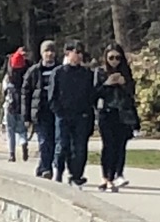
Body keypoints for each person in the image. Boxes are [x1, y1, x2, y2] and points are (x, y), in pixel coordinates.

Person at [50, 43, 97, 187]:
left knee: (79, 147)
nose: (79, 55)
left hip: (81, 116)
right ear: (68, 53)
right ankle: (58, 172)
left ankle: (76, 175)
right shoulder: (58, 72)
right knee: (62, 145)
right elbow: (52, 95)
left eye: (81, 52)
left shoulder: (87, 74)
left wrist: (88, 114)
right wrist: (58, 111)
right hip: (63, 115)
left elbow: (92, 95)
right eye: (76, 52)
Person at [95, 46, 138, 189]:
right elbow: (94, 93)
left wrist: (124, 84)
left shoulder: (126, 72)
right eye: (111, 58)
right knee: (108, 145)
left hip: (123, 114)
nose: (114, 61)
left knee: (121, 146)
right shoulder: (100, 72)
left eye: (118, 58)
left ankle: (118, 174)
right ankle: (106, 176)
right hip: (106, 113)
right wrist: (107, 84)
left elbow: (132, 92)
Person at [21, 40, 62, 177]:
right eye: (46, 51)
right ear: (41, 53)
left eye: (52, 51)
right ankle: (46, 168)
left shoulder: (61, 70)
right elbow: (25, 94)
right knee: (44, 141)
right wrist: (26, 117)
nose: (49, 54)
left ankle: (43, 167)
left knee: (56, 141)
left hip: (56, 111)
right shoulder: (33, 72)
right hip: (40, 112)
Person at [3, 49, 30, 161]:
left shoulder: (8, 77)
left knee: (10, 130)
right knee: (22, 130)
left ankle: (11, 154)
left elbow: (4, 91)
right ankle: (23, 143)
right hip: (22, 106)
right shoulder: (25, 77)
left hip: (10, 105)